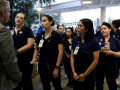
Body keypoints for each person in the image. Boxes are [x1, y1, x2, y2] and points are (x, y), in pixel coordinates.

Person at [30, 15, 63, 90]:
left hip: (53, 65)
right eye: (42, 21)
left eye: (44, 21)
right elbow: (36, 48)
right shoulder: (39, 35)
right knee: (45, 86)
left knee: (57, 86)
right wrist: (33, 59)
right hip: (42, 65)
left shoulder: (56, 35)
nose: (42, 23)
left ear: (50, 22)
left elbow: (60, 52)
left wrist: (57, 67)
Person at [71, 18, 100, 90]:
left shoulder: (94, 41)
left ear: (86, 29)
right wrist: (73, 72)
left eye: (81, 26)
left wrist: (84, 75)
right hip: (76, 73)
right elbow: (72, 57)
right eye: (78, 25)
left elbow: (95, 61)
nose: (78, 27)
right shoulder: (75, 40)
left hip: (88, 74)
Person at [0, 0, 22, 90]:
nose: (9, 14)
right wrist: (18, 76)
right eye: (9, 11)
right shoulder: (3, 30)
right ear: (2, 12)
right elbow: (8, 60)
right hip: (4, 82)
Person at [12, 13, 34, 90]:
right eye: (17, 17)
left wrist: (16, 52)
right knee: (16, 82)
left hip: (26, 60)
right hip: (14, 61)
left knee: (26, 81)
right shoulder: (11, 31)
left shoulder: (27, 29)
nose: (18, 19)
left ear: (24, 21)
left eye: (21, 18)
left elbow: (30, 44)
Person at [96, 22, 120, 90]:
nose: (103, 30)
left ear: (109, 29)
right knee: (99, 84)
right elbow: (92, 52)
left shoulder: (115, 40)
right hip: (99, 67)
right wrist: (100, 50)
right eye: (101, 29)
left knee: (112, 84)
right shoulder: (97, 40)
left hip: (111, 66)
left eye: (105, 28)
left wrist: (112, 53)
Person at [111, 19, 120, 85]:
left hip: (118, 52)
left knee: (117, 66)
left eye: (111, 24)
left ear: (113, 25)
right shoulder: (111, 32)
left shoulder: (119, 32)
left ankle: (115, 79)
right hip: (111, 52)